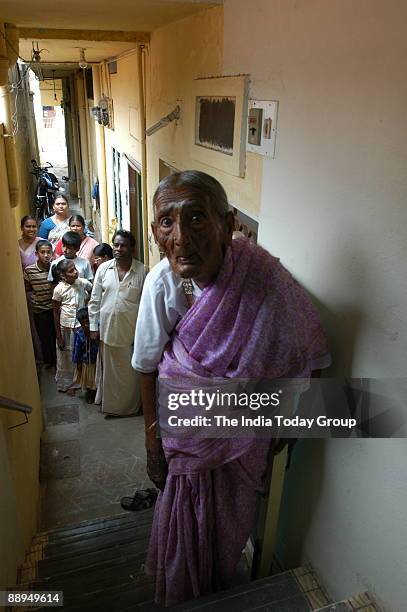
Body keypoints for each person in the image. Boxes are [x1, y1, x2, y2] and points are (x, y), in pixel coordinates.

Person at [131, 171, 330, 606]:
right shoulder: (162, 284)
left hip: (245, 443)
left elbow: (308, 347)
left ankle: (220, 587)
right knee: (185, 523)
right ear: (155, 232)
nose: (181, 237)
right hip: (184, 442)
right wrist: (153, 444)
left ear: (229, 222)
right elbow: (147, 367)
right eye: (167, 222)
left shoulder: (261, 276)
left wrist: (295, 421)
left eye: (197, 217)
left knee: (227, 531)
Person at [88, 230, 145, 417]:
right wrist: (94, 327)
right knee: (111, 374)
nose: (119, 249)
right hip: (107, 328)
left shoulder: (142, 271)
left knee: (130, 374)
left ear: (132, 248)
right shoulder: (104, 269)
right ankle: (112, 408)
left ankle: (130, 408)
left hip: (130, 331)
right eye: (116, 245)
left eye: (123, 245)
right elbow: (95, 300)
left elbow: (146, 306)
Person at [52, 259, 92, 393]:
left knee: (80, 355)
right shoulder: (58, 290)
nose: (76, 272)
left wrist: (89, 303)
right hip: (66, 328)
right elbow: (56, 313)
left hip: (80, 327)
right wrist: (59, 336)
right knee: (67, 357)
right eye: (71, 271)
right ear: (63, 276)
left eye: (75, 268)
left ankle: (80, 381)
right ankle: (69, 383)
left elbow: (94, 291)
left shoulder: (82, 283)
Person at [23, 240, 56, 368]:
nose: (46, 255)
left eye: (49, 252)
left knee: (56, 335)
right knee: (44, 337)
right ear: (37, 254)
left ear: (52, 253)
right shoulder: (29, 271)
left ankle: (58, 362)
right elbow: (27, 288)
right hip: (39, 310)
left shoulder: (55, 267)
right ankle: (49, 362)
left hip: (54, 309)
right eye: (43, 252)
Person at [72, 307, 99, 403]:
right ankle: (90, 394)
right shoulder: (79, 334)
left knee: (96, 378)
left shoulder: (97, 329)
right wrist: (78, 363)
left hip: (96, 361)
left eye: (88, 322)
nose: (86, 325)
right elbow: (77, 350)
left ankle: (97, 393)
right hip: (86, 362)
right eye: (83, 324)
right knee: (88, 380)